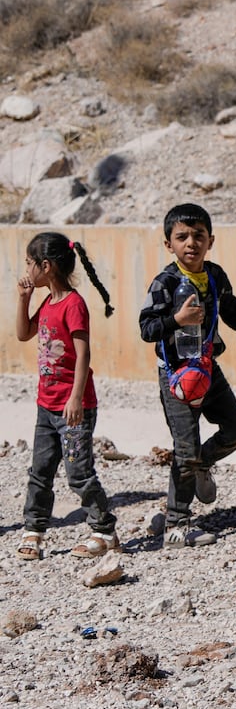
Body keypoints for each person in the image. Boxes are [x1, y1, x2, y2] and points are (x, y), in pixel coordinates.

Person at [138, 203, 236, 549]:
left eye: (198, 236)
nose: (191, 243)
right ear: (168, 244)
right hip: (177, 375)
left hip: (207, 369)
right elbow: (147, 328)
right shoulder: (165, 282)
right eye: (182, 237)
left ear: (210, 241)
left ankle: (203, 465)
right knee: (185, 447)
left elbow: (231, 308)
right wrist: (177, 320)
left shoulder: (215, 275)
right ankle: (176, 524)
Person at [14, 233, 118, 561]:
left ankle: (104, 530)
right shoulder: (47, 302)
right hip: (46, 406)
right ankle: (35, 529)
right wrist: (23, 298)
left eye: (30, 263)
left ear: (46, 266)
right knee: (40, 470)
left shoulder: (74, 305)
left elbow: (83, 354)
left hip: (74, 408)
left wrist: (75, 398)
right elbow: (23, 333)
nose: (27, 269)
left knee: (78, 471)